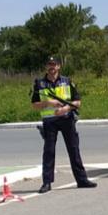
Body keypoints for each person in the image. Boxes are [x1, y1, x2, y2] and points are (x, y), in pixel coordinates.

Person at [31, 56, 97, 193]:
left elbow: (78, 102)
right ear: (46, 67)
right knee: (49, 152)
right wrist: (48, 103)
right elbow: (34, 105)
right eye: (49, 65)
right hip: (49, 122)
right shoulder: (39, 83)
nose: (52, 67)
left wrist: (66, 109)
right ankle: (47, 183)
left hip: (67, 119)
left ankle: (82, 180)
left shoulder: (67, 81)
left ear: (59, 66)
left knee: (74, 150)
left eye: (54, 65)